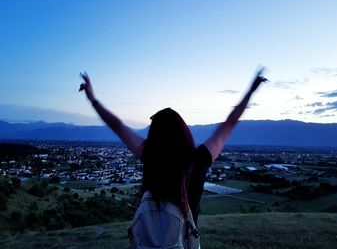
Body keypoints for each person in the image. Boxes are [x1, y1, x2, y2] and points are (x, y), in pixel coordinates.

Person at [79, 68, 267, 248]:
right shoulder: (198, 159)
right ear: (185, 133)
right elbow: (229, 123)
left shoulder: (150, 155)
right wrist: (251, 91)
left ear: (154, 135)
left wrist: (92, 99)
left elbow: (118, 126)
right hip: (184, 242)